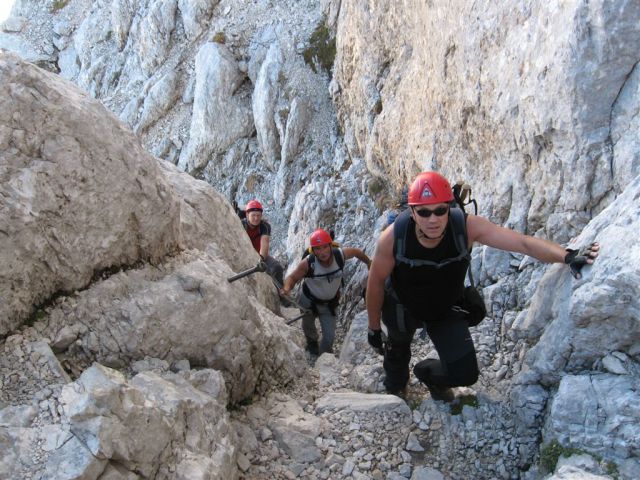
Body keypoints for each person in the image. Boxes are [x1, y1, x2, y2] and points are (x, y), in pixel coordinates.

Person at [366, 171, 599, 401]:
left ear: (449, 207)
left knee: (464, 374)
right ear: (412, 212)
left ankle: (428, 374)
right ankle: (396, 392)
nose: (433, 219)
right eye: (424, 212)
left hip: (443, 308)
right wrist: (374, 329)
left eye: (440, 210)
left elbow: (523, 243)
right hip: (402, 306)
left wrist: (567, 256)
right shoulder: (393, 238)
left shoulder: (466, 227)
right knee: (397, 353)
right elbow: (375, 282)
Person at [281, 228, 372, 355]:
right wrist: (286, 288)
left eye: (325, 247)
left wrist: (369, 262)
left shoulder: (340, 255)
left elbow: (356, 252)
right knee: (308, 325)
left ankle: (324, 356)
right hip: (308, 301)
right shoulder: (308, 263)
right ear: (313, 251)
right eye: (318, 249)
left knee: (329, 336)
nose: (322, 252)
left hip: (329, 304)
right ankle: (312, 344)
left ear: (330, 245)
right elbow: (292, 278)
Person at [241, 200, 284, 286]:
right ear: (247, 215)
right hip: (244, 254)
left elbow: (265, 243)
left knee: (277, 267)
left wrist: (261, 259)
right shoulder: (241, 225)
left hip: (259, 255)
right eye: (253, 215)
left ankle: (281, 292)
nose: (256, 218)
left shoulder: (264, 226)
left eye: (258, 215)